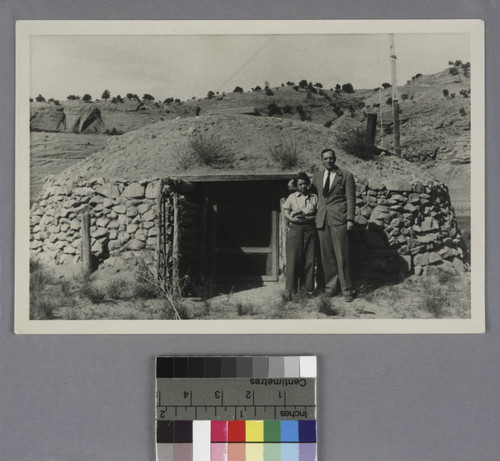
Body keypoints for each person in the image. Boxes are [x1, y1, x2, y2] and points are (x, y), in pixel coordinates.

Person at [312, 148, 356, 302]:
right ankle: (331, 288)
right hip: (322, 220)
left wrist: (350, 219)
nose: (329, 161)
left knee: (342, 255)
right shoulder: (317, 176)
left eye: (331, 158)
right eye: (325, 158)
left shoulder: (345, 175)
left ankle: (347, 290)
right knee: (327, 257)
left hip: (339, 220)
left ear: (335, 159)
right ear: (322, 160)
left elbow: (350, 199)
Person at [282, 172, 318, 297]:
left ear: (308, 184)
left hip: (310, 230)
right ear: (296, 186)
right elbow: (285, 212)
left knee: (309, 260)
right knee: (293, 260)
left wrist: (309, 217)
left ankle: (307, 290)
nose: (303, 186)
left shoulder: (314, 197)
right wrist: (292, 219)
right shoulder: (292, 197)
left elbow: (318, 214)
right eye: (300, 184)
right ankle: (290, 292)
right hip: (295, 230)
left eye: (305, 184)